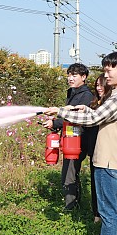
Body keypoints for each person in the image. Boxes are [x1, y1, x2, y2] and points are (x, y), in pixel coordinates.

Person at [44, 51, 117, 235]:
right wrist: (85, 109)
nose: (106, 75)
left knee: (107, 211)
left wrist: (61, 112)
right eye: (105, 70)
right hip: (116, 158)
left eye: (109, 71)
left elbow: (93, 119)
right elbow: (101, 115)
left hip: (108, 159)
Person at [43, 63, 94, 211]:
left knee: (69, 173)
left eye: (74, 75)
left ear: (83, 77)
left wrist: (55, 122)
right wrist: (55, 124)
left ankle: (71, 207)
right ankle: (72, 203)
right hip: (70, 139)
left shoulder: (86, 95)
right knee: (68, 172)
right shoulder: (72, 92)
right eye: (69, 75)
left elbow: (76, 117)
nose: (70, 78)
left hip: (79, 140)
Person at [86, 74, 113, 223]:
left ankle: (104, 217)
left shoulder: (109, 104)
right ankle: (96, 213)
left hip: (105, 151)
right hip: (94, 150)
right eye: (96, 85)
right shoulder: (95, 103)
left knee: (104, 185)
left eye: (101, 85)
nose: (98, 88)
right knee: (95, 183)